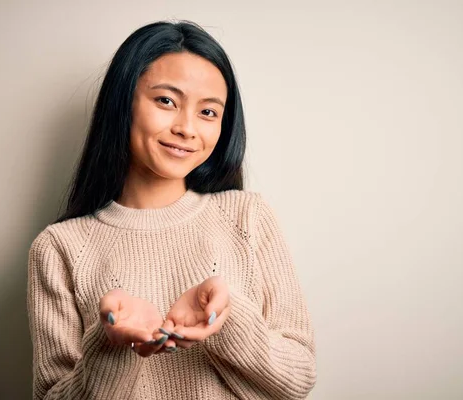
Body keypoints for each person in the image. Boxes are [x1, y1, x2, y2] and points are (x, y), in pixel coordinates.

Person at [27, 20, 316, 399]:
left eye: (208, 112)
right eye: (166, 101)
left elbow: (298, 381)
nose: (187, 128)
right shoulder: (58, 248)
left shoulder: (248, 216)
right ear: (122, 103)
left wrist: (226, 320)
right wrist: (113, 345)